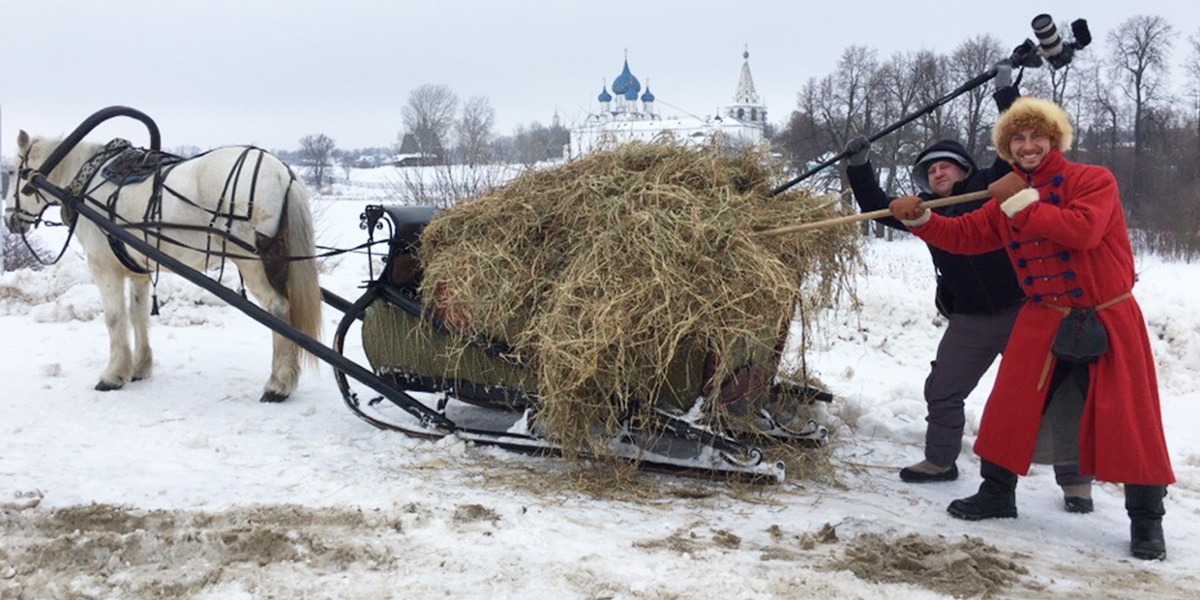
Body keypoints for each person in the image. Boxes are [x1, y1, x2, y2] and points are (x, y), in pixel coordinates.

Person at [888, 96, 1175, 560]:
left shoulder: (1093, 181)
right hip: (1043, 314)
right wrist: (921, 219)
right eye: (1017, 138)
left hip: (1107, 314)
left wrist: (1020, 201)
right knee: (1011, 406)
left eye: (1036, 136)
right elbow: (965, 237)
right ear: (1008, 146)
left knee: (1129, 420)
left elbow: (1081, 231)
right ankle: (997, 494)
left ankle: (1147, 522)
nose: (1027, 145)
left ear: (1053, 140)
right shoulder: (1007, 194)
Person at [843, 63, 1093, 508]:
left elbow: (1019, 148)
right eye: (930, 171)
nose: (939, 174)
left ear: (964, 171)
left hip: (1023, 312)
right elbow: (879, 208)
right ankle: (940, 461)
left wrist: (1005, 95)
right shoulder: (925, 213)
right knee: (942, 389)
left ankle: (1074, 484)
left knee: (1051, 391)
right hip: (969, 320)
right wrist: (859, 166)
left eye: (946, 167)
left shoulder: (987, 187)